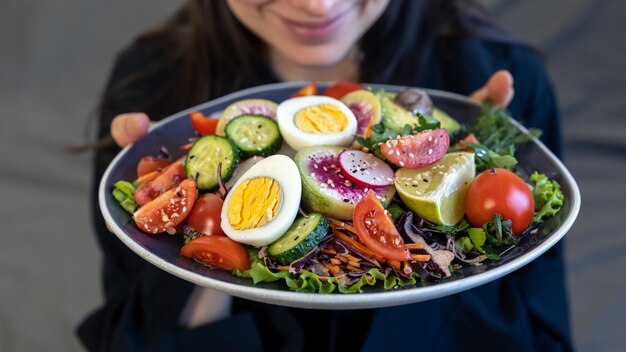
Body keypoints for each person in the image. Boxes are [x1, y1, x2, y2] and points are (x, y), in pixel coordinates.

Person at [78, 1, 572, 351]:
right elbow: (132, 329)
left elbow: (542, 326)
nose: (317, 5)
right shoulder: (153, 88)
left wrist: (471, 157)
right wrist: (210, 238)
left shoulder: (502, 74)